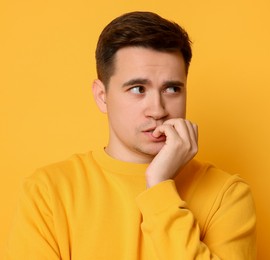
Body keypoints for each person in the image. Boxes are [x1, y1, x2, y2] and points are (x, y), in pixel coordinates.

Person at [5, 11, 257, 259]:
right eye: (138, 89)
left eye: (172, 88)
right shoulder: (49, 191)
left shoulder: (228, 194)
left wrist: (159, 185)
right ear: (102, 96)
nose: (158, 110)